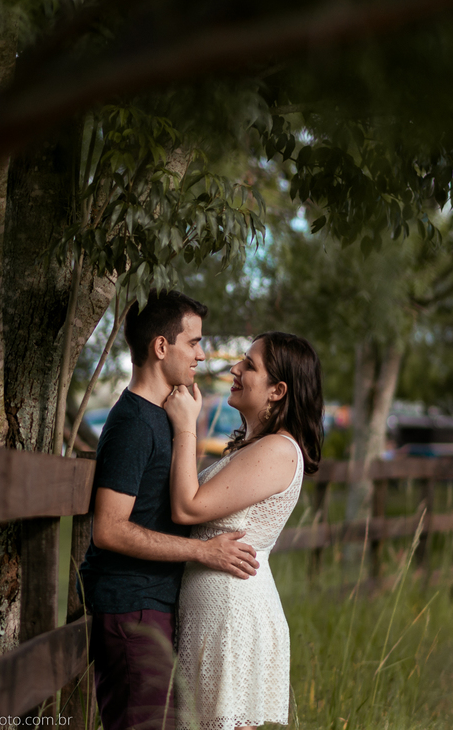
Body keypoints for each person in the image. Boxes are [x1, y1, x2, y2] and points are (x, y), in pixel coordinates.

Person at [79, 290, 260, 730]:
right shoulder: (133, 424)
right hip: (131, 608)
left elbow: (184, 499)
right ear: (162, 347)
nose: (201, 354)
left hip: (153, 605)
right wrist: (203, 552)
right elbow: (108, 529)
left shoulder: (163, 416)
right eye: (193, 342)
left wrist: (188, 427)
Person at [164, 332, 324, 730]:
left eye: (250, 365)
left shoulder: (278, 450)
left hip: (233, 616)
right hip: (216, 613)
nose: (235, 369)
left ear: (277, 390)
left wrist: (186, 427)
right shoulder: (254, 446)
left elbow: (188, 506)